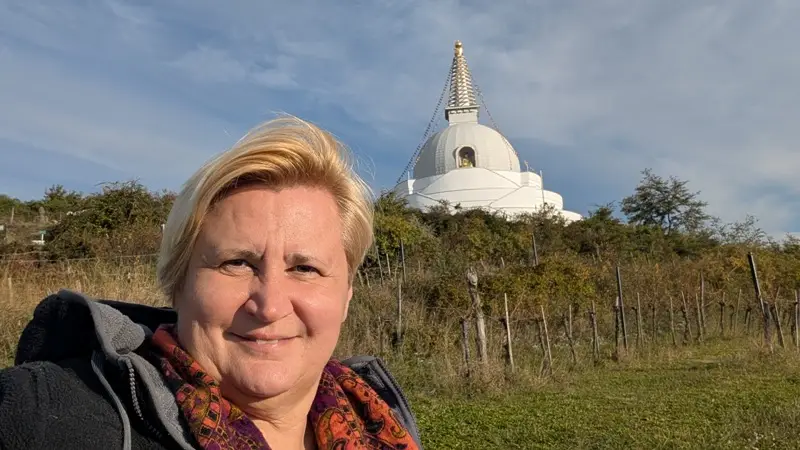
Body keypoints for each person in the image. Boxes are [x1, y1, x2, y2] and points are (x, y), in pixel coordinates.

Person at [0, 116, 423, 450]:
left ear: (346, 296)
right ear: (177, 282)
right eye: (236, 263)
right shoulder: (44, 412)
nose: (270, 305)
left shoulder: (381, 418)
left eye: (305, 268)